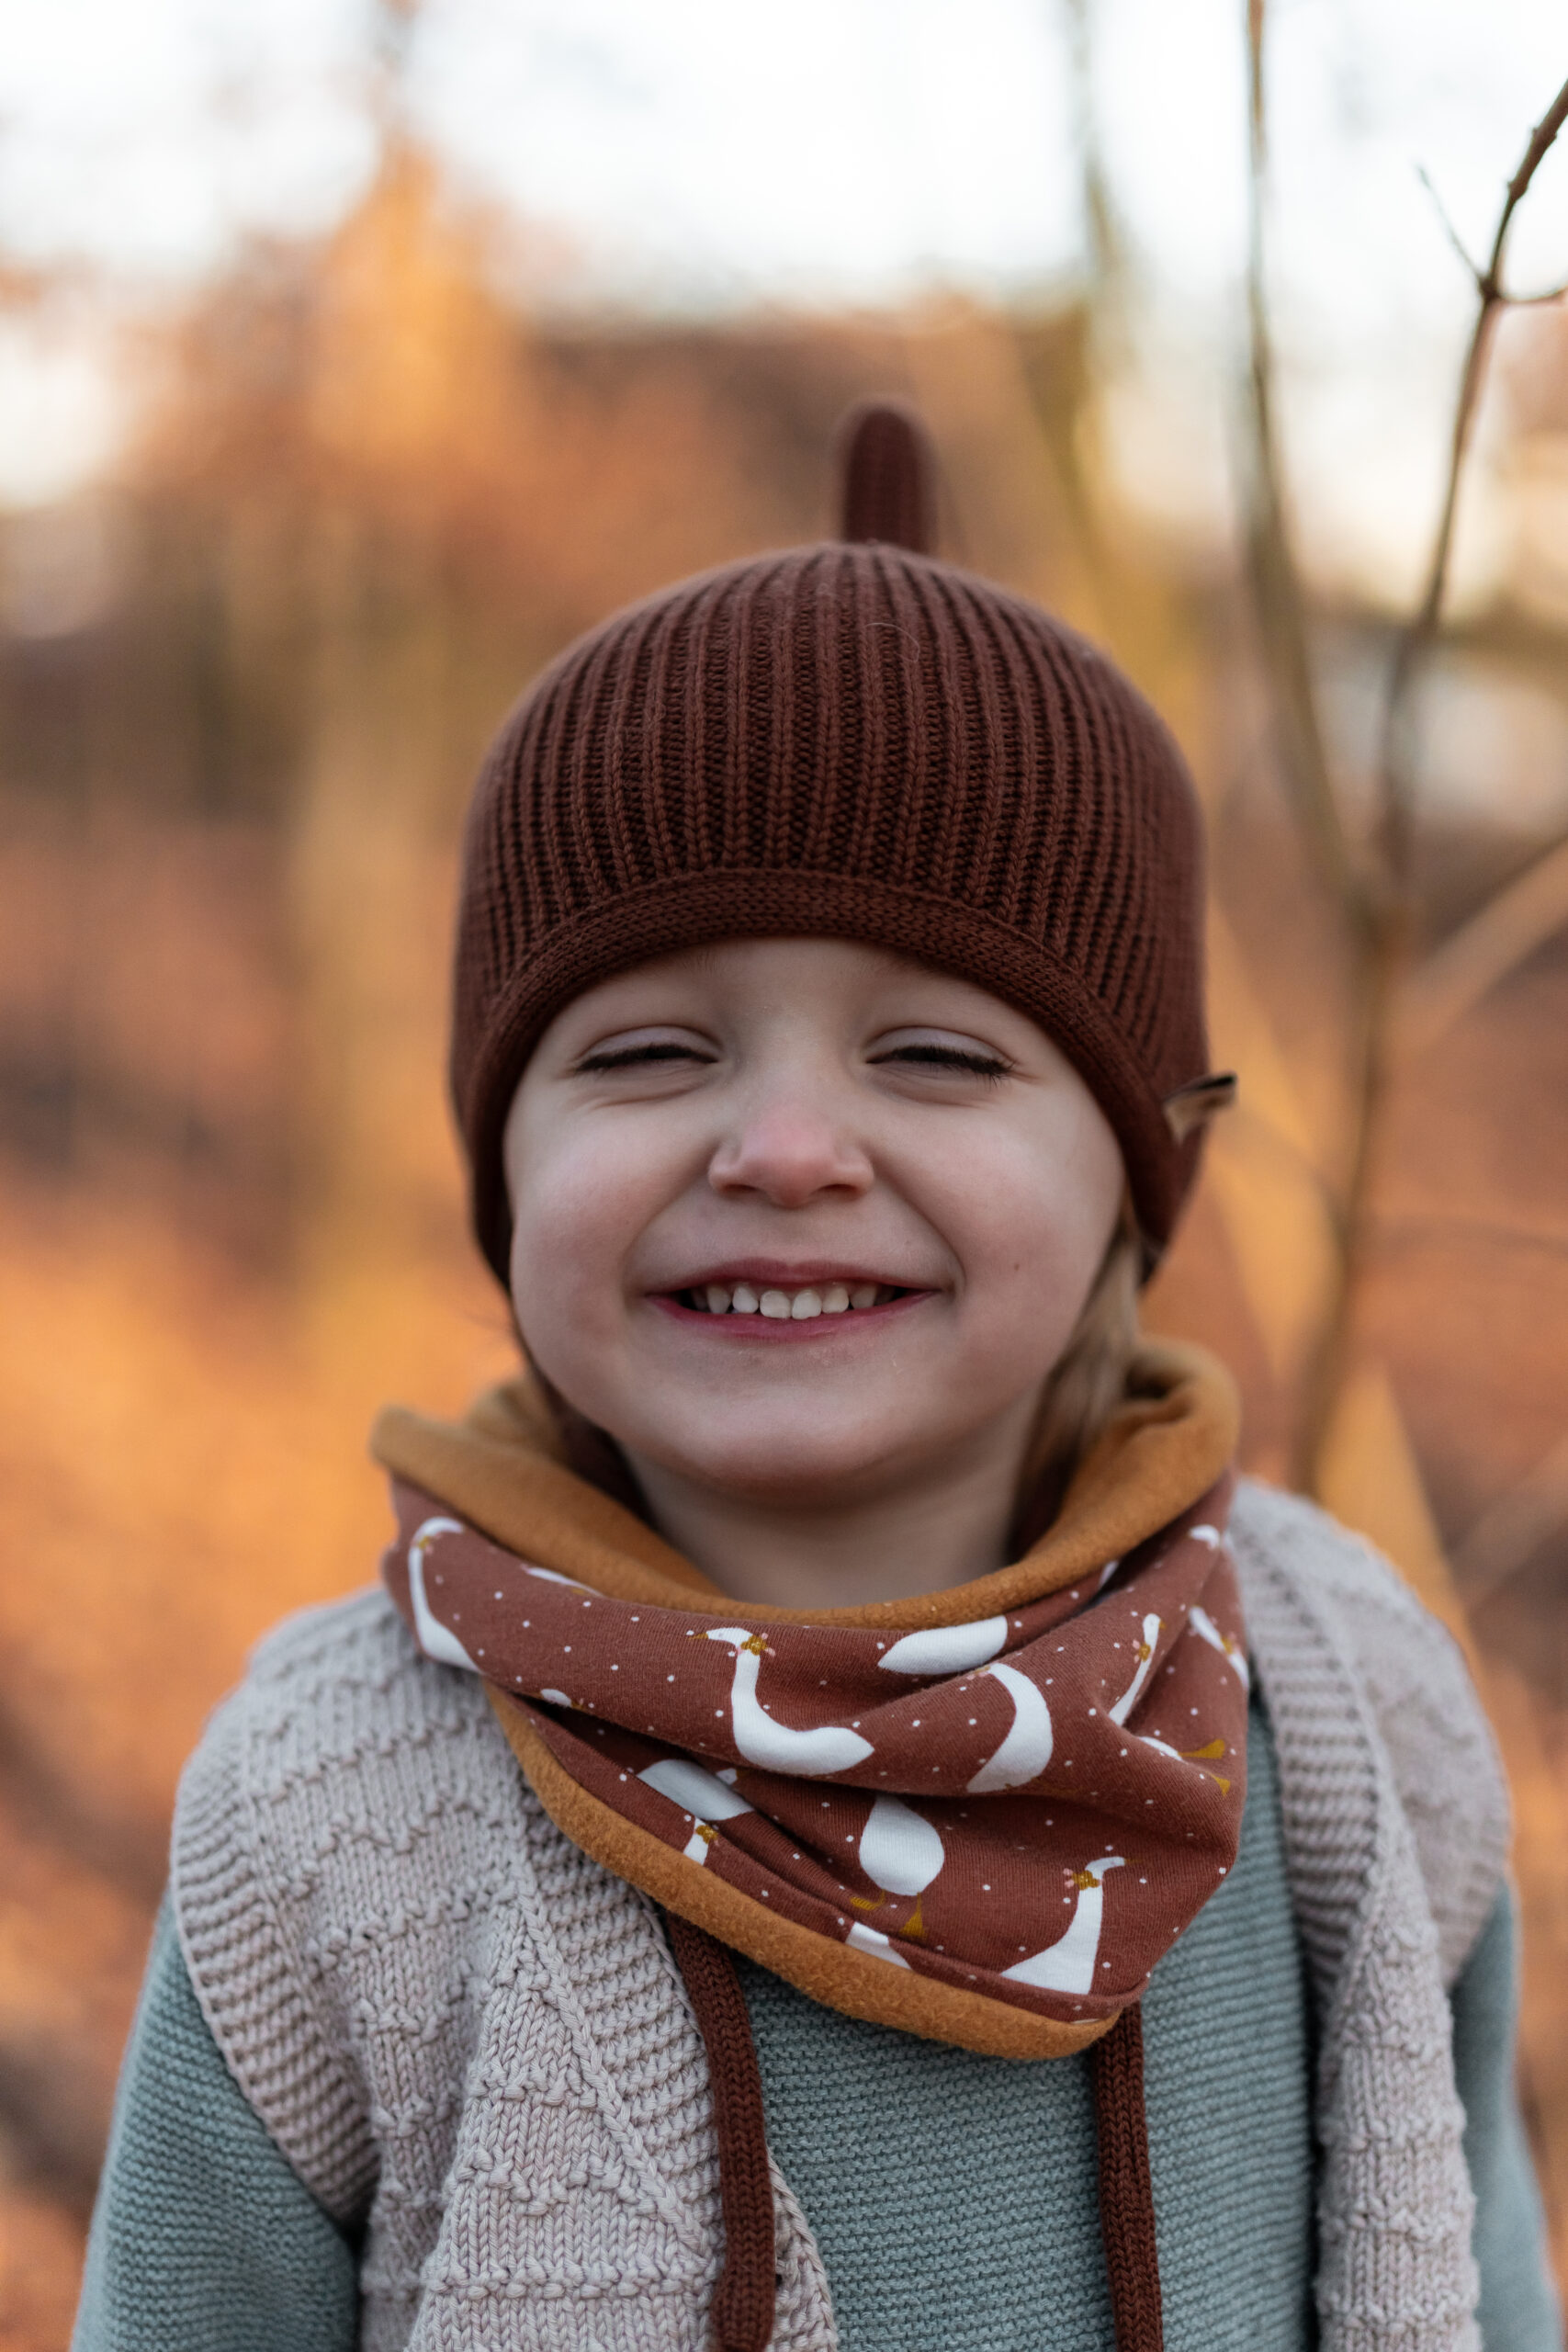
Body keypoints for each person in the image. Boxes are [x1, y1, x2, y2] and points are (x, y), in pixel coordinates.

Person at [73, 406, 1559, 2352]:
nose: (782, 1147)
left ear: (1139, 1164)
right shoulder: (333, 1815)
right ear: (499, 1164)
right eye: (645, 1052)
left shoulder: (1337, 1713)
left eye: (933, 1056)